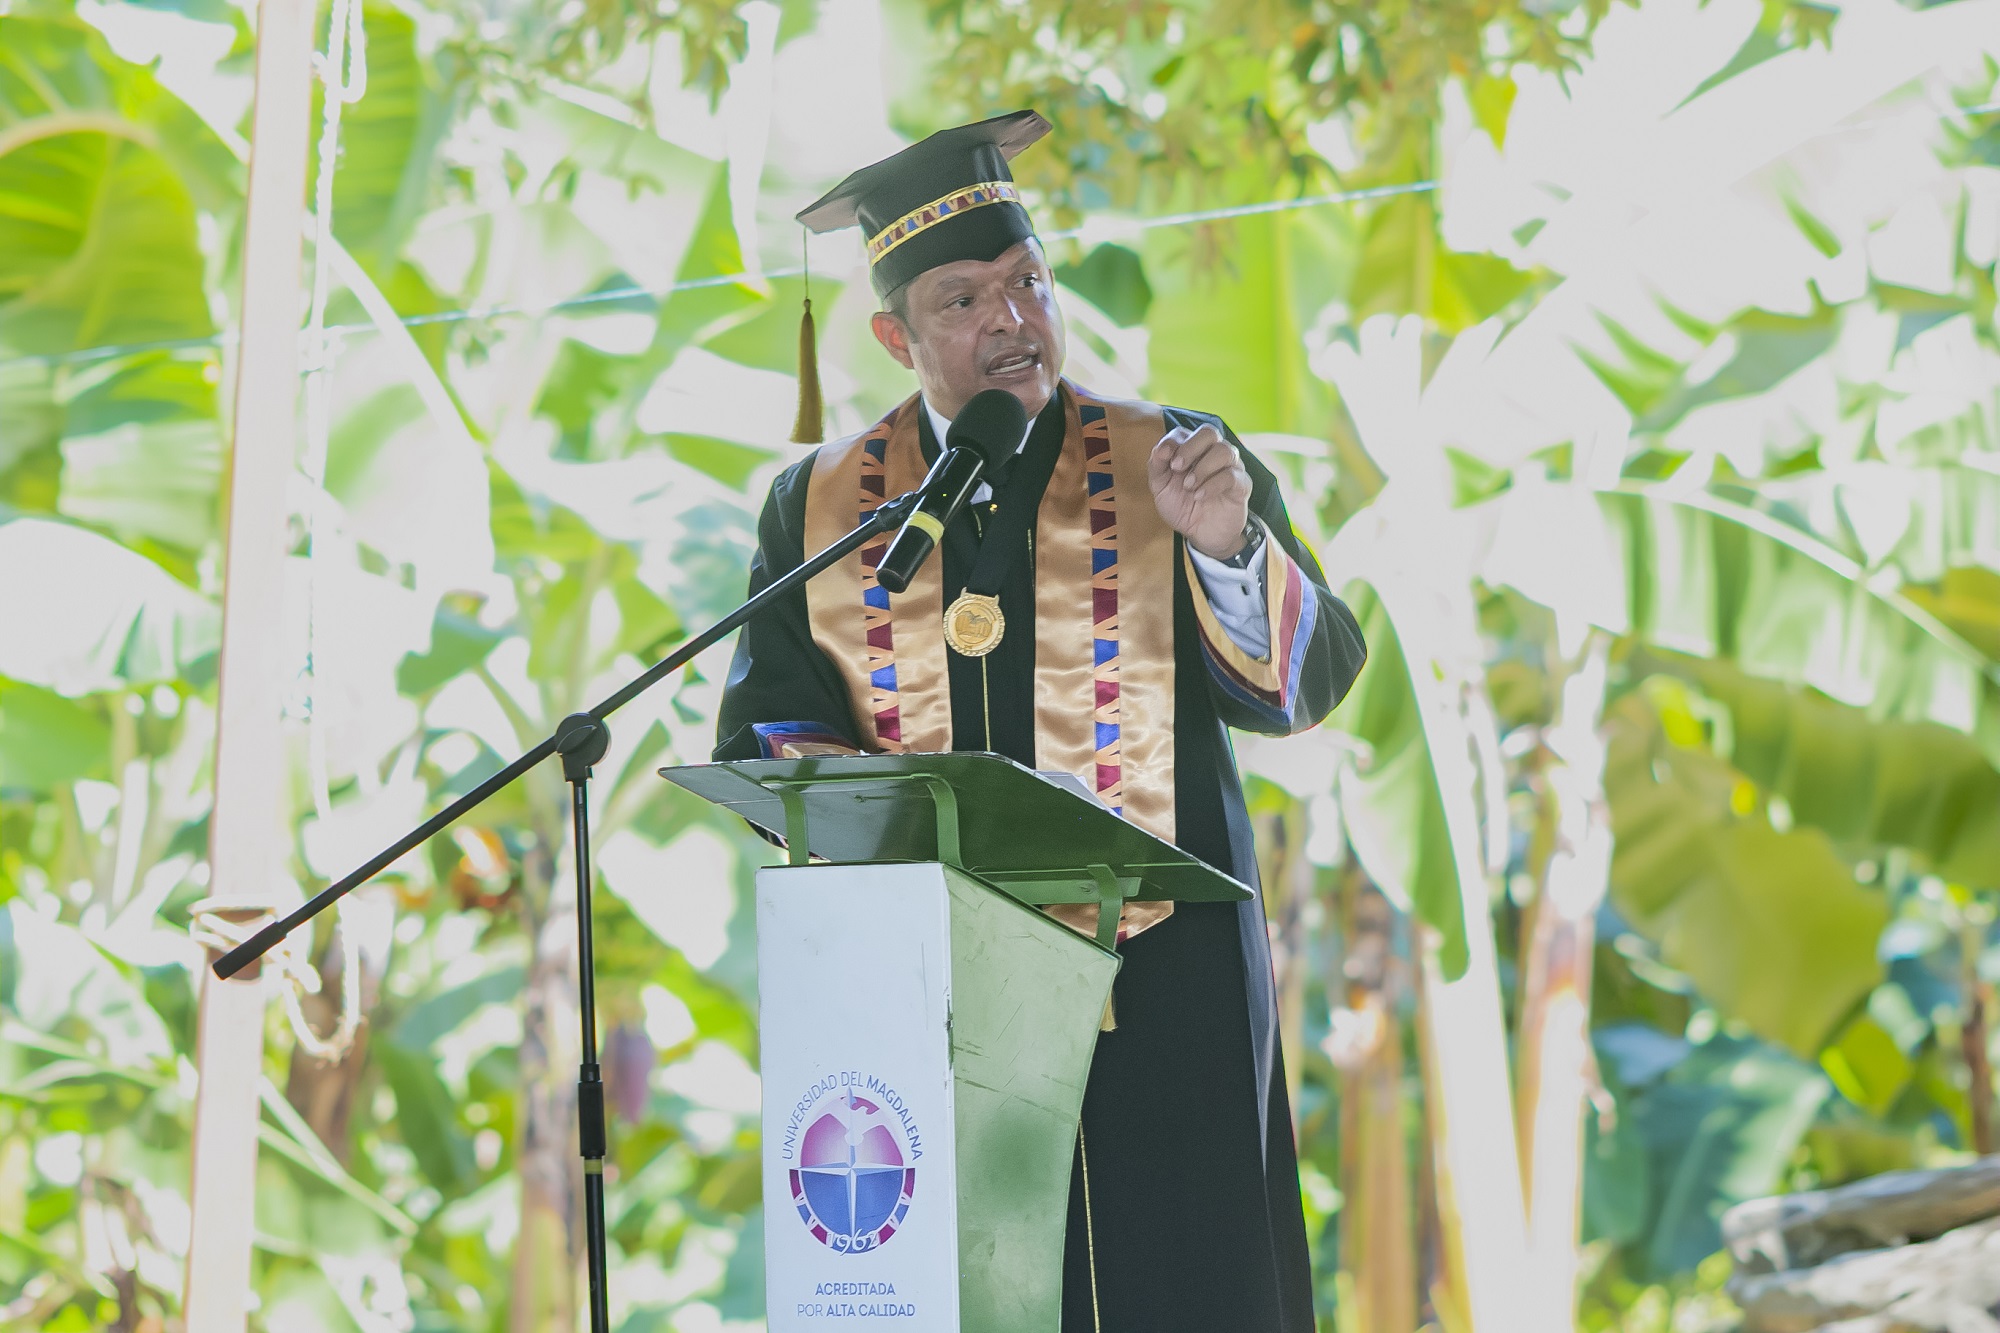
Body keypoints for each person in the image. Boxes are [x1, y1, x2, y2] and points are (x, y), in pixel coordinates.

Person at [714, 109, 1367, 1333]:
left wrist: (1228, 546)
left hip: (1162, 982)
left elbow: (1310, 681)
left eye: (1027, 282)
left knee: (1180, 1283)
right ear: (893, 334)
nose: (1012, 321)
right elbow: (765, 727)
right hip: (927, 1002)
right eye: (963, 298)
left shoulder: (1176, 460)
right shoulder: (821, 506)